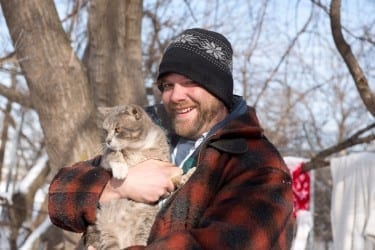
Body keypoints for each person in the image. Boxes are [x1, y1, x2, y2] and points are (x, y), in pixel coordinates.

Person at [48, 28, 295, 249]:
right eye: (167, 85)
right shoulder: (152, 134)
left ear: (218, 89)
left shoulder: (259, 165)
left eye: (190, 82)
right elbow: (60, 198)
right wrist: (118, 187)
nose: (175, 95)